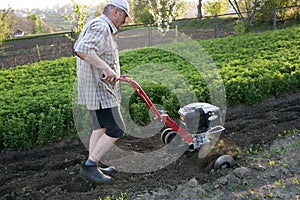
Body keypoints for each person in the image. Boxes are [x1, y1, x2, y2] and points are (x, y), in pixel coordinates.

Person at [73, 0, 133, 184]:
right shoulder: (101, 25)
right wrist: (107, 68)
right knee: (117, 128)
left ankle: (94, 164)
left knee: (100, 127)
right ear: (116, 11)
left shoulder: (99, 25)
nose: (123, 22)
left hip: (95, 86)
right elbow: (81, 49)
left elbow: (95, 51)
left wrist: (113, 70)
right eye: (124, 17)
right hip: (99, 88)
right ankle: (90, 166)